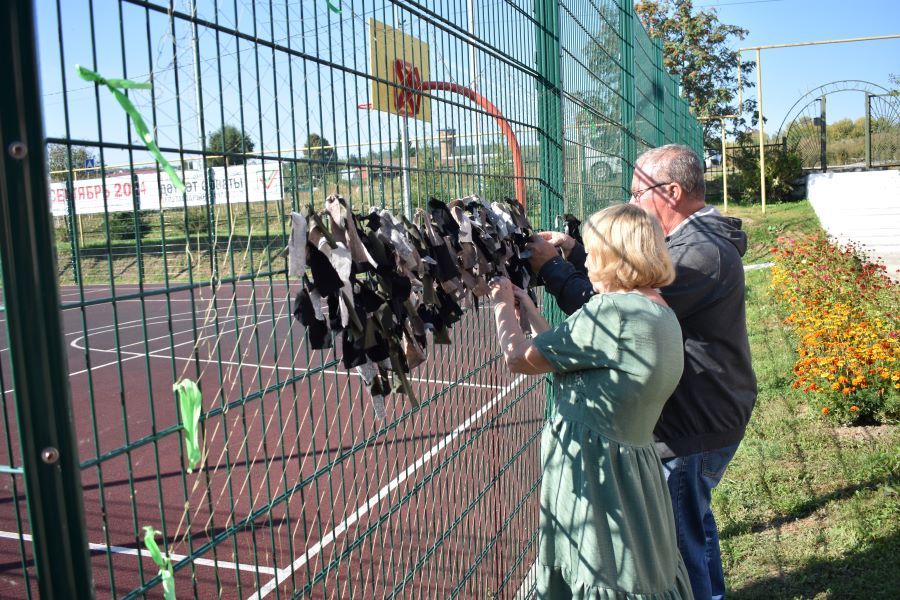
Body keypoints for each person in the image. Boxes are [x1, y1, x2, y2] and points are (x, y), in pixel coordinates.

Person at [527, 144, 757, 600]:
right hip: (706, 411)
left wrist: (552, 270)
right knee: (692, 527)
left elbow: (614, 316)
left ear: (672, 192)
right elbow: (632, 278)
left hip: (694, 421)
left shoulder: (698, 253)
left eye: (638, 192)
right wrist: (579, 253)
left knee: (673, 547)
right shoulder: (697, 241)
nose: (632, 203)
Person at [490, 203, 694, 599]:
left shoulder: (610, 314)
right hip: (633, 471)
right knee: (633, 567)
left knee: (599, 568)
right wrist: (529, 310)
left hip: (596, 475)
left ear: (610, 256)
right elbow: (574, 357)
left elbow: (518, 358)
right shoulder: (658, 309)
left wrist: (500, 302)